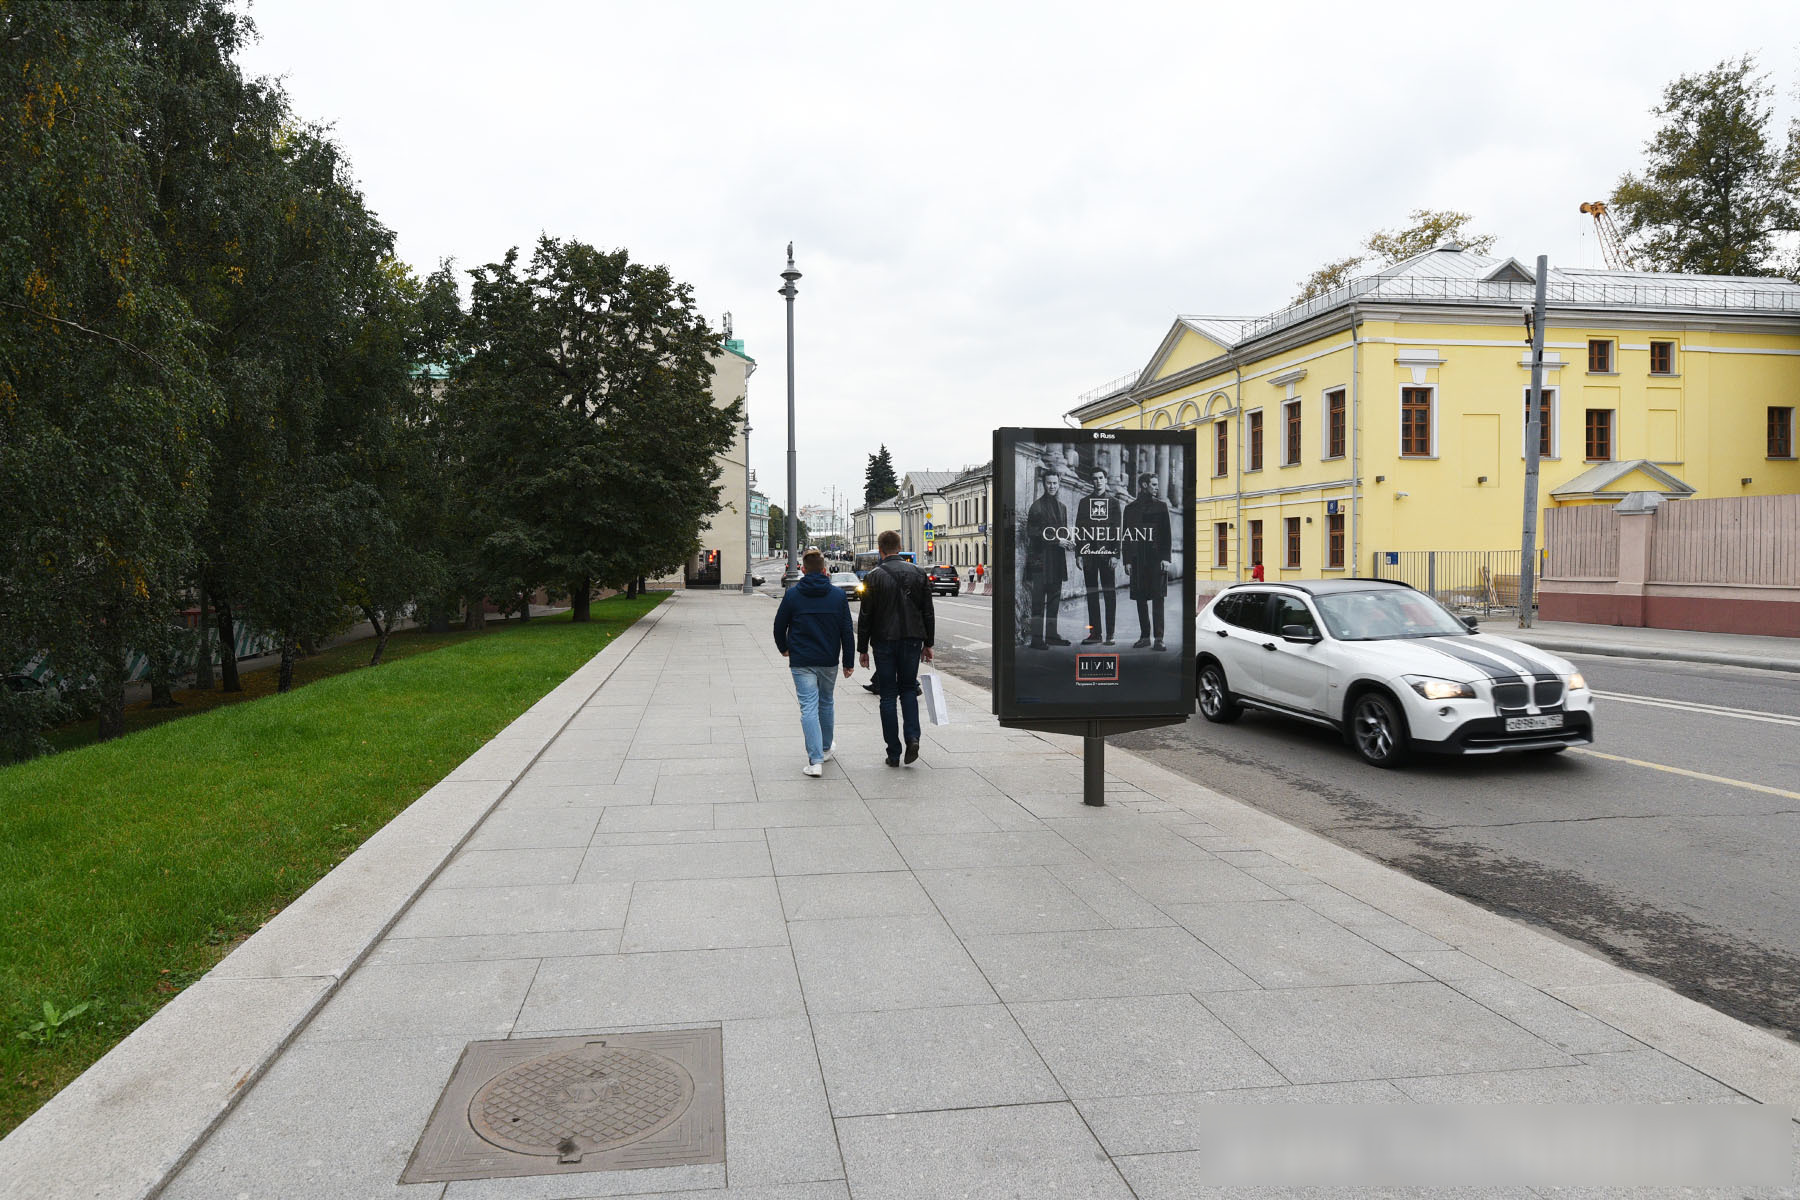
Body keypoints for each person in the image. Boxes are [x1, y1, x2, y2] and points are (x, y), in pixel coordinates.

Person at [772, 550, 855, 778]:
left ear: (803, 570)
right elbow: (847, 631)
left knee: (808, 706)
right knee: (826, 702)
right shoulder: (838, 596)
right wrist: (849, 661)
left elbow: (779, 626)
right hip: (829, 660)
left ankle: (815, 760)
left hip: (802, 661)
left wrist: (784, 648)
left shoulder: (793, 595)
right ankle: (826, 748)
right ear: (825, 570)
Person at [857, 529, 935, 766]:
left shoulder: (873, 576)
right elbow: (928, 611)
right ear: (899, 547)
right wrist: (928, 643)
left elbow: (866, 615)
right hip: (912, 640)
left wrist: (862, 648)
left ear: (880, 550)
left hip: (884, 641)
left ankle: (893, 752)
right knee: (909, 689)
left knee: (888, 695)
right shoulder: (919, 573)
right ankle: (912, 737)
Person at [1022, 466, 1072, 649]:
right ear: (1044, 484)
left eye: (1055, 483)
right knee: (1038, 601)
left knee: (1054, 600)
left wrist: (1068, 541)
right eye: (1049, 483)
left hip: (1057, 561)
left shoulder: (1062, 508)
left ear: (1059, 484)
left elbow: (1062, 533)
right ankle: (1036, 639)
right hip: (1040, 561)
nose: (1052, 486)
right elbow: (1032, 532)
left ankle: (1051, 635)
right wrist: (1056, 541)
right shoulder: (1036, 507)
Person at [1123, 471, 1173, 650]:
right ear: (1144, 485)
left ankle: (1159, 638)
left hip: (1156, 559)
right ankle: (1145, 637)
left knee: (1158, 598)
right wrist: (1127, 560)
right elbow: (1126, 536)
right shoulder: (1130, 509)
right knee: (1140, 598)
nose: (1157, 488)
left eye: (1156, 485)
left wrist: (1166, 558)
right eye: (1153, 485)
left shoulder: (1161, 506)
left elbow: (1166, 534)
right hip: (1138, 559)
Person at [1077, 465, 1122, 646]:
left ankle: (1110, 634)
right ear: (1091, 481)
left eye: (1101, 478)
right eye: (1095, 478)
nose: (1098, 481)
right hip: (1089, 555)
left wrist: (1115, 554)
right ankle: (1095, 634)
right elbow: (1079, 530)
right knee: (1092, 595)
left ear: (1105, 480)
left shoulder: (1113, 503)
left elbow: (1117, 530)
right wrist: (1079, 554)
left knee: (1109, 595)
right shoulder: (1084, 503)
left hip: (1107, 555)